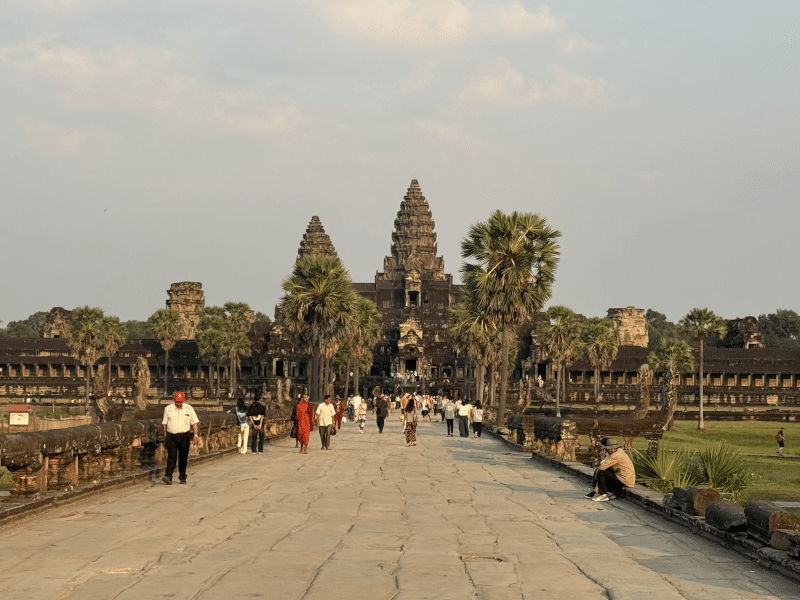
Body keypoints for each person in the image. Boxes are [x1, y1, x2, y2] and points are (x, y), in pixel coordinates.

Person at [161, 391, 200, 485]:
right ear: (174, 400)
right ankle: (168, 476)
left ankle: (182, 476)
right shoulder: (168, 408)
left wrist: (196, 435)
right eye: (177, 401)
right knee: (171, 456)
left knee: (183, 457)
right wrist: (165, 437)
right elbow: (164, 423)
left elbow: (194, 422)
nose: (178, 404)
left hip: (184, 435)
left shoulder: (189, 408)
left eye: (180, 402)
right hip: (171, 435)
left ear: (184, 400)